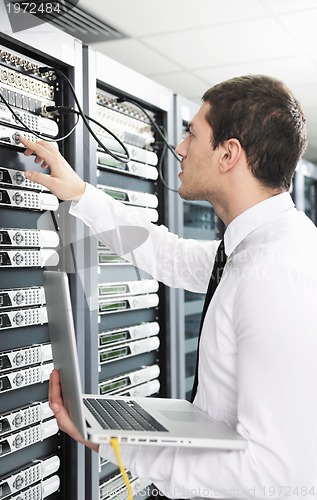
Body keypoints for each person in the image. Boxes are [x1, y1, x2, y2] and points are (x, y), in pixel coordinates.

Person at [20, 74, 317, 500]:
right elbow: (171, 256)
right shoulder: (255, 249)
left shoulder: (277, 272)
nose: (179, 147)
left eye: (192, 134)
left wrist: (116, 440)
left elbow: (269, 475)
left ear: (229, 154)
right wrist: (81, 194)